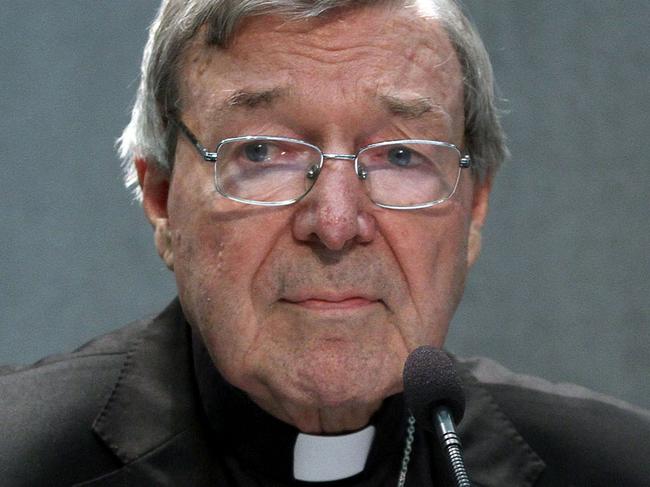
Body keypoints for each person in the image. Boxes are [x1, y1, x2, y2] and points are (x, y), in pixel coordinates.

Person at [1, 0, 648, 485]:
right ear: (163, 197)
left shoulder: (619, 466)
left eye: (400, 155)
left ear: (473, 207)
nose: (336, 225)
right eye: (261, 152)